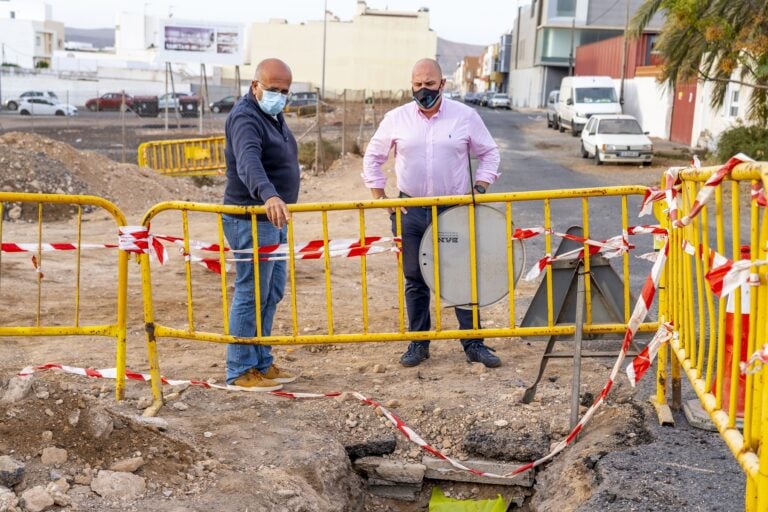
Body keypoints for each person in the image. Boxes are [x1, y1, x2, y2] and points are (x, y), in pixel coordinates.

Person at [362, 58, 502, 368]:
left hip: (452, 211)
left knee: (460, 277)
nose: (423, 89)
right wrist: (380, 197)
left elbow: (489, 153)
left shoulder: (465, 117)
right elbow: (372, 157)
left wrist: (480, 187)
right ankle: (418, 344)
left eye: (429, 83)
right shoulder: (396, 119)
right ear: (411, 85)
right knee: (415, 277)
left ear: (442, 84)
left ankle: (474, 344)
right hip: (410, 211)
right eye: (417, 84)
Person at [222, 58, 300, 390]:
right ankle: (240, 370)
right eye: (273, 90)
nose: (280, 96)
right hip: (251, 218)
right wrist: (268, 194)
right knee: (251, 291)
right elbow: (248, 161)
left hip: (273, 219)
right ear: (256, 86)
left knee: (270, 292)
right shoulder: (245, 117)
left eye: (285, 91)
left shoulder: (271, 114)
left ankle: (261, 361)